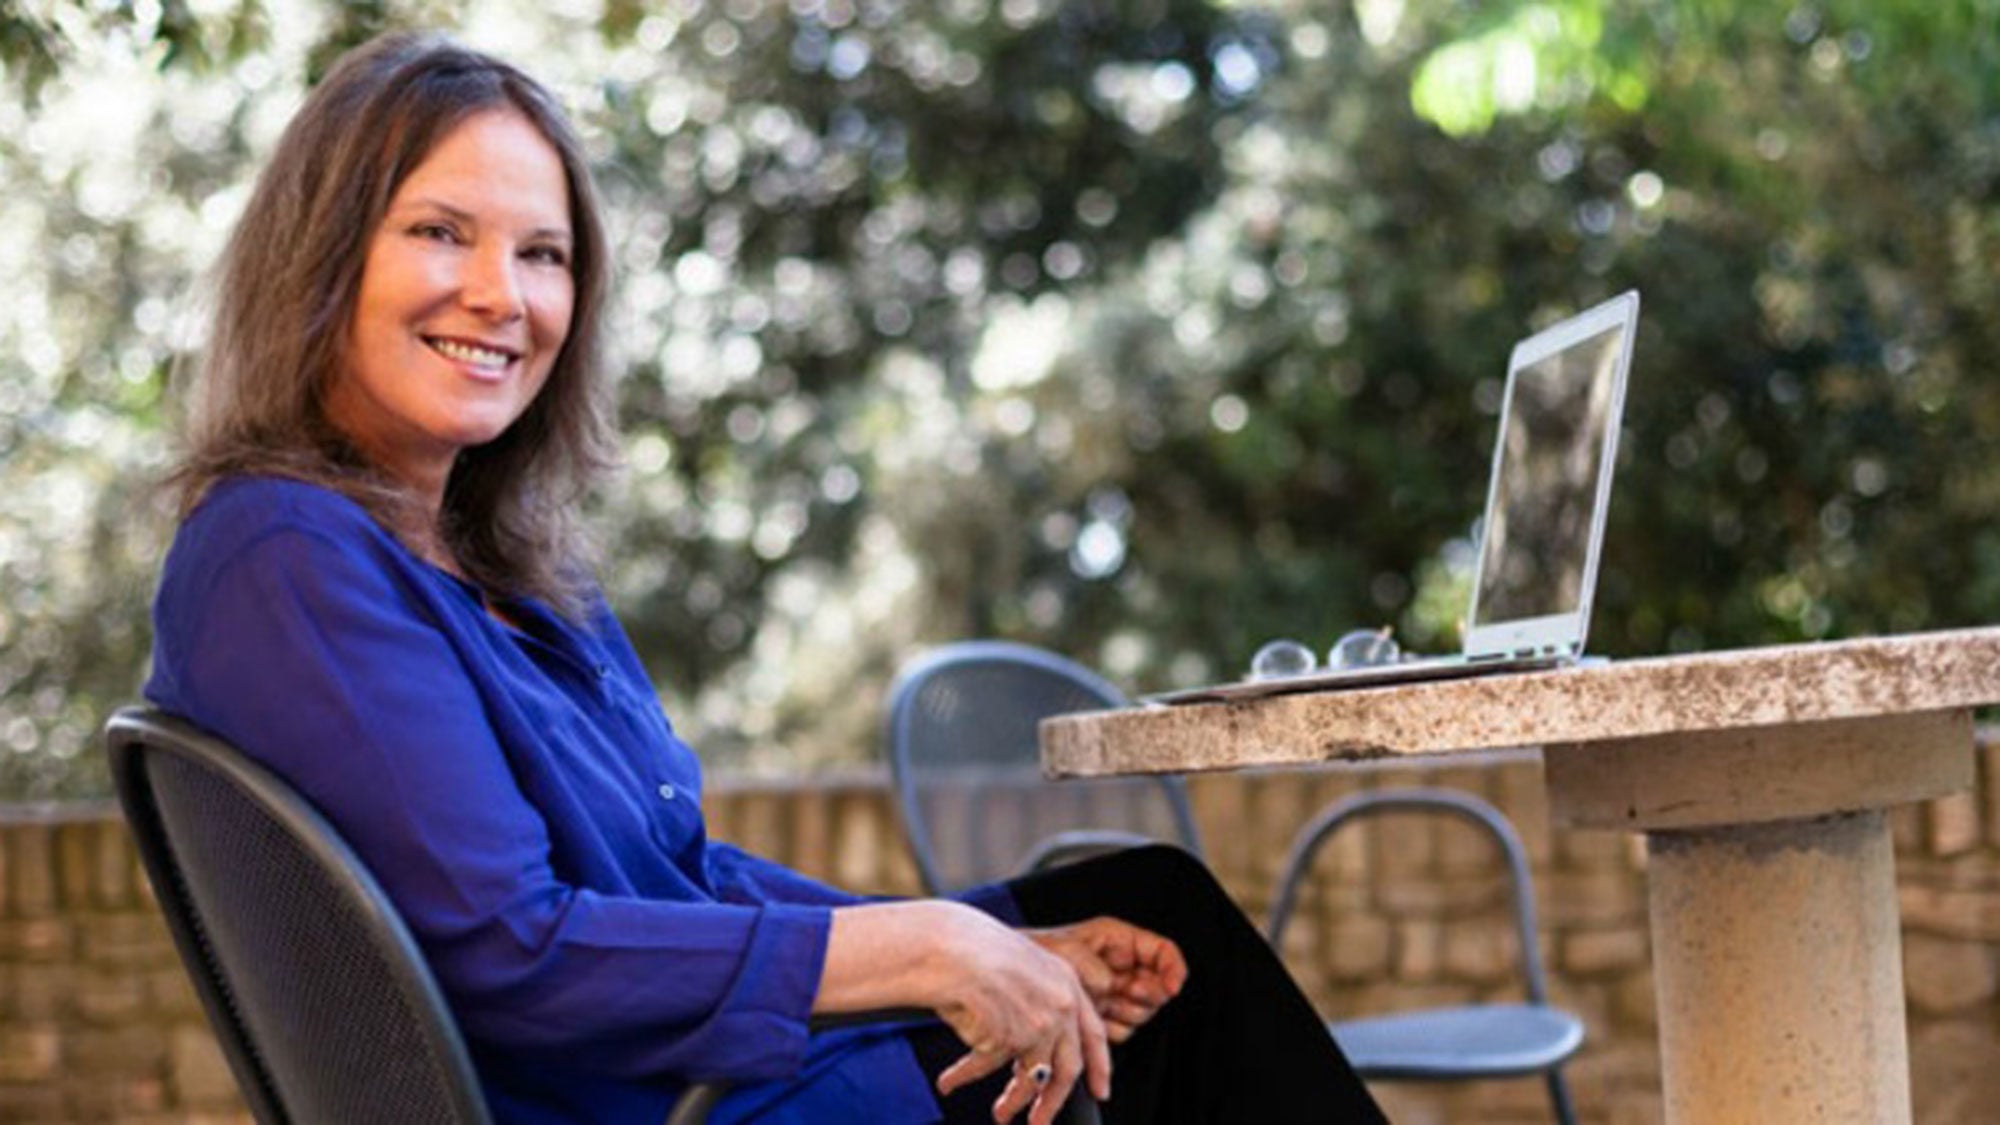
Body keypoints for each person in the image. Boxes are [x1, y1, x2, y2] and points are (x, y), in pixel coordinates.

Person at [144, 31, 1387, 1125]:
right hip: (647, 1104)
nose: (500, 294)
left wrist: (982, 941)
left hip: (688, 1076)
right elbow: (513, 957)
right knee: (1164, 1010)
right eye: (437, 232)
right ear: (321, 255)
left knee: (1135, 905)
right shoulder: (287, 556)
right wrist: (927, 952)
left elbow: (689, 880)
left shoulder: (507, 578)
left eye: (543, 254)